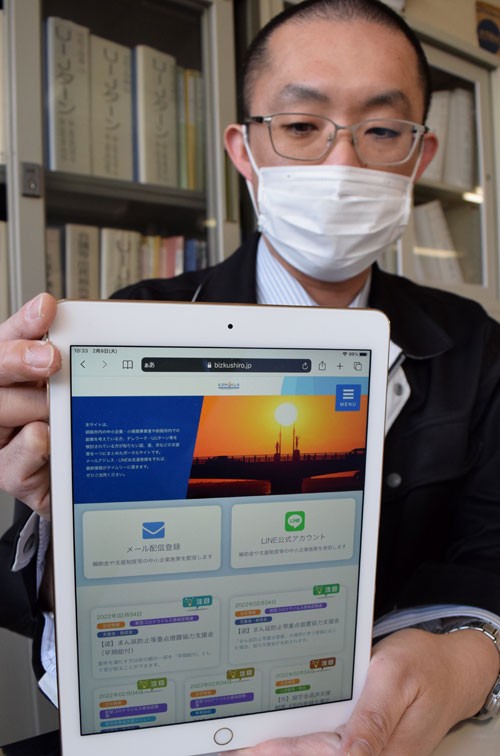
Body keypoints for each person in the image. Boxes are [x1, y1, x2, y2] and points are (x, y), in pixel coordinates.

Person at [1, 1, 500, 753]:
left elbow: (490, 551)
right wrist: (64, 523)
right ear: (244, 150)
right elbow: (28, 595)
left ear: (419, 155)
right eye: (301, 126)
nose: (341, 165)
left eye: (382, 129)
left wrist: (471, 653)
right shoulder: (130, 326)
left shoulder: (473, 344)